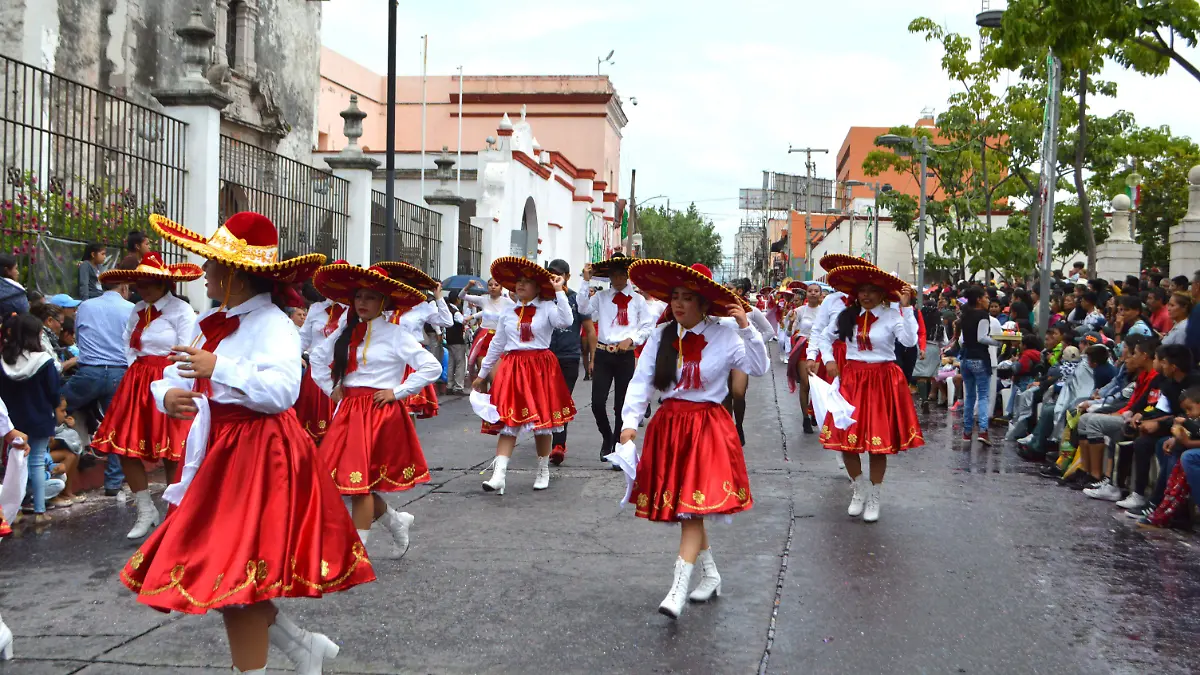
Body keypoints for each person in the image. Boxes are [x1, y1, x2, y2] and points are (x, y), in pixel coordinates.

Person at [122, 212, 374, 674]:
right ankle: (303, 647)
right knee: (227, 574)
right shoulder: (210, 321)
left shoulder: (274, 325)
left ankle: (292, 653)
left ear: (235, 275)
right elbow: (174, 373)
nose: (205, 272)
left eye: (214, 265)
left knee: (232, 575)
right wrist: (168, 394)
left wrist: (218, 368)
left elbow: (282, 393)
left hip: (260, 454)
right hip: (220, 451)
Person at [618, 259, 768, 619]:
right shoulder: (661, 336)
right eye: (675, 297)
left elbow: (759, 367)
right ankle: (711, 574)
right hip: (669, 428)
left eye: (687, 298)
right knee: (688, 509)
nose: (679, 304)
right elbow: (641, 381)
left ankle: (678, 588)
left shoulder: (725, 335)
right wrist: (629, 424)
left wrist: (747, 328)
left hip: (707, 429)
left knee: (691, 508)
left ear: (704, 303)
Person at [310, 263, 440, 557]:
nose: (362, 303)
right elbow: (317, 359)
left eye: (370, 297)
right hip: (348, 411)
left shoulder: (395, 334)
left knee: (359, 485)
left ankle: (356, 554)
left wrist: (398, 391)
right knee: (342, 481)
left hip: (379, 413)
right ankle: (395, 521)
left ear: (383, 302)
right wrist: (331, 388)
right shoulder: (345, 332)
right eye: (358, 297)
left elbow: (431, 367)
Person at [88, 252, 200, 540]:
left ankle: (176, 514)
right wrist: (135, 375)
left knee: (173, 451)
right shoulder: (137, 309)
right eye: (139, 284)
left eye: (148, 283)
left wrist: (171, 381)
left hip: (169, 380)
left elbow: (187, 350)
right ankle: (145, 508)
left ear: (163, 283)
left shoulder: (181, 311)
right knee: (125, 447)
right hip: (137, 382)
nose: (142, 289)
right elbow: (128, 344)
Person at [812, 265, 922, 522]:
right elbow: (824, 338)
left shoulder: (893, 315)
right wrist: (828, 359)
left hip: (882, 381)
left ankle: (874, 495)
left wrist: (906, 309)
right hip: (852, 381)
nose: (866, 295)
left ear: (882, 294)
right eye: (862, 290)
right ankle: (859, 488)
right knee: (847, 440)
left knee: (877, 445)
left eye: (872, 290)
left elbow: (909, 342)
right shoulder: (846, 316)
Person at [473, 257, 576, 494]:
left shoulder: (548, 307)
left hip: (540, 368)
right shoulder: (508, 312)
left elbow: (566, 321)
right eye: (518, 281)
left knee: (542, 425)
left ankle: (543, 470)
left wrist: (559, 291)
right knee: (508, 422)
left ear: (538, 287)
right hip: (513, 369)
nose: (520, 285)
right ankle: (498, 475)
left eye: (527, 281)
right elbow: (497, 344)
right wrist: (483, 373)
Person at [578, 253, 654, 459]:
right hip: (604, 353)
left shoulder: (637, 300)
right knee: (597, 403)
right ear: (609, 276)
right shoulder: (601, 297)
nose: (618, 279)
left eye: (621, 274)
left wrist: (632, 339)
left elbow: (648, 326)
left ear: (627, 275)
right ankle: (607, 436)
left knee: (622, 405)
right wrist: (585, 281)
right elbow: (583, 308)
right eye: (614, 274)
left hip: (625, 356)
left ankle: (618, 447)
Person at [64, 274, 134, 496]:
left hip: (88, 372)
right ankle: (113, 482)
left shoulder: (85, 306)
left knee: (53, 407)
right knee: (117, 426)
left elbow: (78, 337)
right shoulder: (131, 309)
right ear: (124, 287)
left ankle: (40, 463)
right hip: (119, 373)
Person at [0, 314, 60, 525]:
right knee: (37, 461)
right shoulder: (44, 361)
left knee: (14, 463)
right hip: (41, 418)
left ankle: (14, 511)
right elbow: (54, 392)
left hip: (12, 421)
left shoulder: (4, 361)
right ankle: (40, 511)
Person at [375, 261, 453, 419]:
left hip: (410, 359)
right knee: (383, 407)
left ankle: (408, 435)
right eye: (396, 284)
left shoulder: (421, 306)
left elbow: (447, 321)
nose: (400, 288)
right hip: (386, 358)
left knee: (406, 410)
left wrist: (438, 297)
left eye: (404, 285)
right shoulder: (383, 306)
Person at [545, 259, 595, 465]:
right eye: (550, 273)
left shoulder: (576, 299)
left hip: (569, 358)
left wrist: (592, 359)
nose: (554, 277)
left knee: (561, 399)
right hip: (545, 357)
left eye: (558, 273)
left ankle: (559, 444)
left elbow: (590, 330)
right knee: (547, 400)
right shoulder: (543, 298)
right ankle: (546, 436)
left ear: (567, 276)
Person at [959, 287, 1002, 445]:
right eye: (985, 297)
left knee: (969, 397)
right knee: (983, 396)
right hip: (979, 359)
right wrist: (998, 342)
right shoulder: (983, 315)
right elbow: (982, 337)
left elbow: (962, 340)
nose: (988, 300)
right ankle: (983, 431)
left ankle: (967, 432)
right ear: (978, 299)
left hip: (965, 359)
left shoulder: (965, 315)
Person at [462, 277, 517, 384]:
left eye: (496, 285)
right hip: (484, 337)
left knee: (495, 377)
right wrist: (468, 286)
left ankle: (495, 392)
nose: (493, 287)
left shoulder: (508, 302)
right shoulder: (483, 300)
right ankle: (481, 392)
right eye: (490, 285)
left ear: (501, 288)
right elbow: (462, 296)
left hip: (500, 338)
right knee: (482, 372)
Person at [788, 282, 823, 434]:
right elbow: (789, 333)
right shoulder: (799, 311)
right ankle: (805, 418)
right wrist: (790, 323)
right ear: (806, 294)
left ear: (820, 294)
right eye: (810, 291)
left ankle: (814, 411)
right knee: (806, 383)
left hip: (820, 349)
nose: (813, 293)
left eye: (816, 291)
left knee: (816, 385)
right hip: (804, 348)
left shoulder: (825, 312)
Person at [444, 295, 468, 394]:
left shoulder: (447, 309)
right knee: (460, 363)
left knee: (451, 363)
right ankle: (458, 386)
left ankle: (449, 385)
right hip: (457, 340)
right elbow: (464, 321)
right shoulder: (455, 312)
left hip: (449, 339)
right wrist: (469, 311)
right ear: (457, 299)